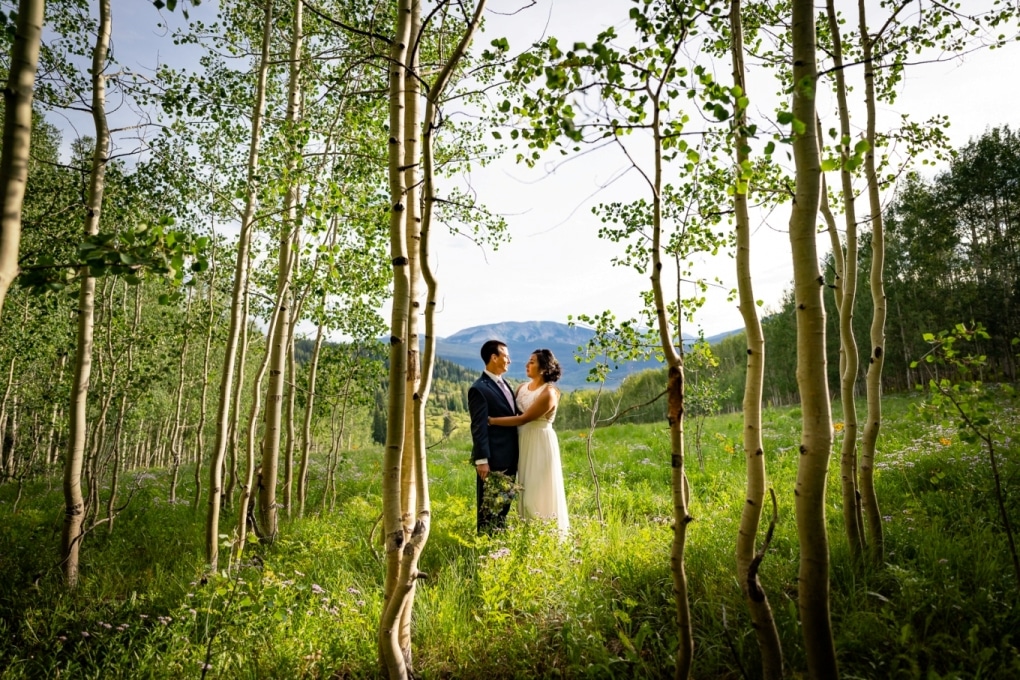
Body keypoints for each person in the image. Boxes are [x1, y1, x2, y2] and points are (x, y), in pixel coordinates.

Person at [488, 349, 569, 537]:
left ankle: (548, 534)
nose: (527, 365)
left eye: (532, 362)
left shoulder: (549, 393)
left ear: (543, 368)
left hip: (540, 442)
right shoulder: (521, 387)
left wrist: (491, 421)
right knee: (524, 490)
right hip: (523, 442)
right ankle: (529, 534)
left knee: (537, 491)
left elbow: (524, 418)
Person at [468, 340, 520, 534]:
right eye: (506, 356)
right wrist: (482, 460)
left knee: (503, 506)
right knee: (488, 507)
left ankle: (499, 543)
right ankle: (485, 544)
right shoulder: (479, 388)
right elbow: (478, 426)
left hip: (510, 456)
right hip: (493, 459)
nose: (509, 360)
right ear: (494, 357)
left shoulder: (505, 384)